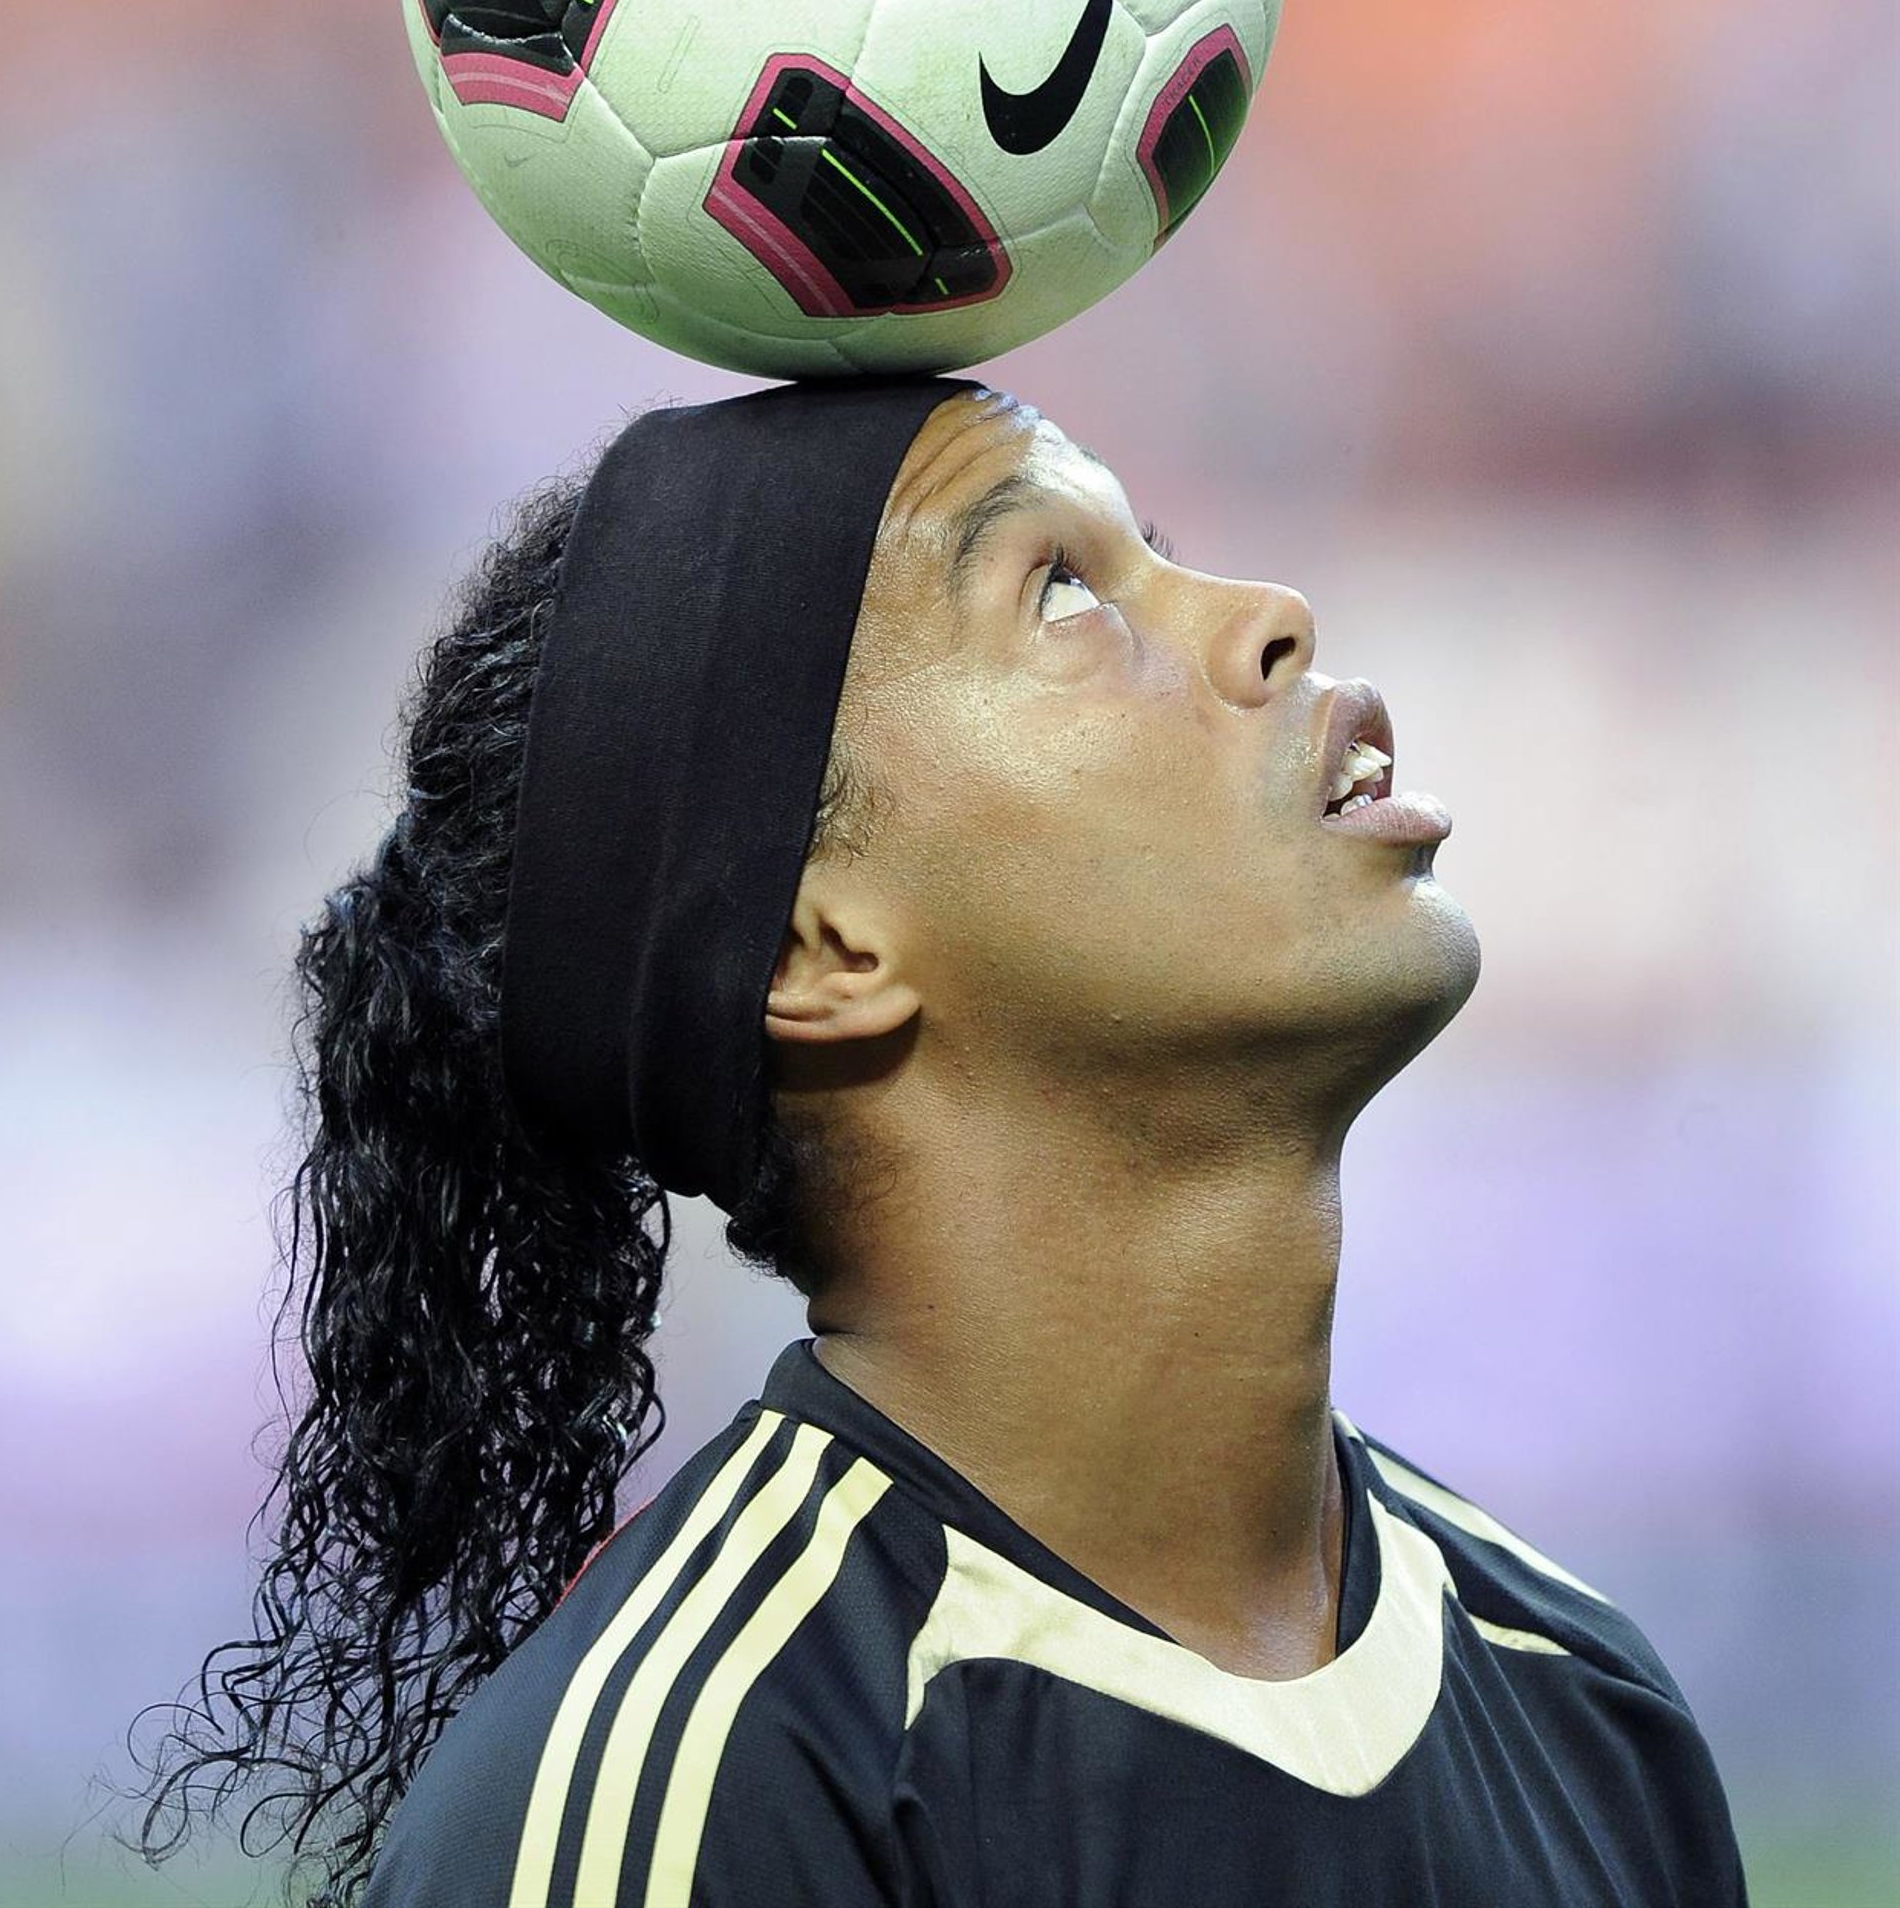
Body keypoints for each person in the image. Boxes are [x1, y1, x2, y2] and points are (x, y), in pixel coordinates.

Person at [122, 378, 1750, 1905]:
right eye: (1065, 592)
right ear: (820, 951)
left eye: (1155, 554)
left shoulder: (1587, 1707)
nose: (1271, 619)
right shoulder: (704, 1794)